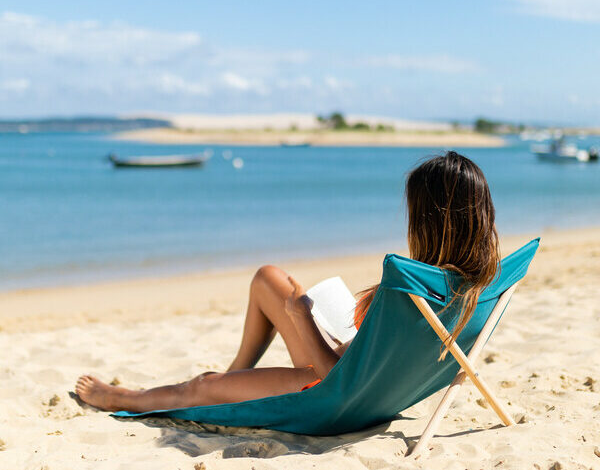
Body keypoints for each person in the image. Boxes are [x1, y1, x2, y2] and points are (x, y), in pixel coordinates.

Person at [76, 151, 500, 412]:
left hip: (338, 395)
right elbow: (387, 356)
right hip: (374, 382)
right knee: (269, 279)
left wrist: (301, 318)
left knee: (198, 386)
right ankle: (235, 379)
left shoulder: (407, 288)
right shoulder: (480, 286)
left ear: (428, 221)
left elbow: (334, 379)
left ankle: (123, 398)